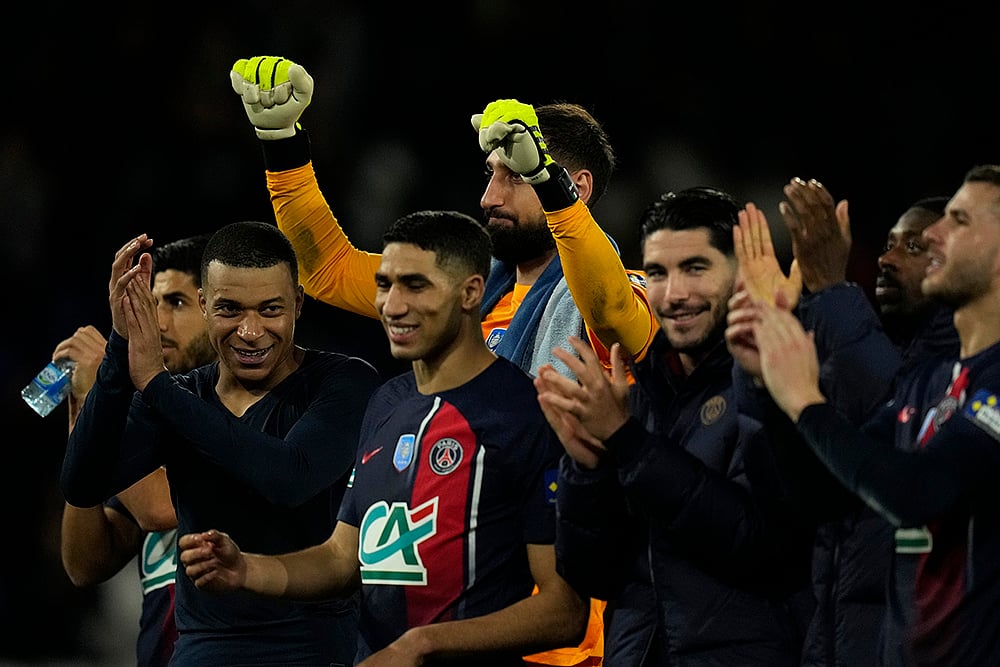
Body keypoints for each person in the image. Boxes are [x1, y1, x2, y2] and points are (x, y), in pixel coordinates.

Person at [229, 55, 659, 665]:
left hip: (560, 637)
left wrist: (552, 193)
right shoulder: (461, 293)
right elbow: (325, 270)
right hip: (449, 612)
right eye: (491, 174)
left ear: (575, 185)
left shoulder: (623, 291)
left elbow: (613, 312)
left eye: (513, 176)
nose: (489, 196)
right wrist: (282, 149)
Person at [178, 210, 589, 665]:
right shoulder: (385, 404)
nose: (392, 305)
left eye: (415, 285)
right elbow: (341, 558)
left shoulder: (525, 416)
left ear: (471, 292)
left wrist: (422, 644)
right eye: (385, 285)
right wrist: (246, 569)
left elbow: (565, 610)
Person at [60, 221, 382, 666]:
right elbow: (83, 484)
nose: (251, 331)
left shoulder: (344, 382)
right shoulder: (181, 396)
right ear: (205, 305)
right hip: (201, 650)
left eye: (270, 310)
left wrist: (156, 384)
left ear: (299, 305)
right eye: (230, 309)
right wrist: (120, 346)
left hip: (312, 647)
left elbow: (288, 479)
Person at [533, 188, 813, 665]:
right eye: (658, 273)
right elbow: (594, 576)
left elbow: (761, 544)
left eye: (696, 269)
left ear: (743, 272)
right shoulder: (639, 392)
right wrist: (588, 469)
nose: (674, 294)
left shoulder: (784, 374)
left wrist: (626, 440)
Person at [737, 164, 1000, 665]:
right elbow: (822, 497)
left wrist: (804, 400)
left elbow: (918, 493)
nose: (938, 232)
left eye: (960, 220)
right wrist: (771, 382)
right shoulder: (928, 382)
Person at [769, 181, 959, 665]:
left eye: (914, 246)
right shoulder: (877, 350)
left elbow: (897, 434)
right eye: (890, 242)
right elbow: (818, 490)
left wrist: (831, 289)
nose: (886, 258)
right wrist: (762, 362)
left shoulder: (970, 370)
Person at [57, 233, 215, 667]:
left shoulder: (247, 414)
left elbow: (161, 509)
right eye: (152, 302)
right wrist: (82, 420)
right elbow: (85, 562)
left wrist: (99, 399)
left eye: (177, 303)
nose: (157, 322)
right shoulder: (149, 428)